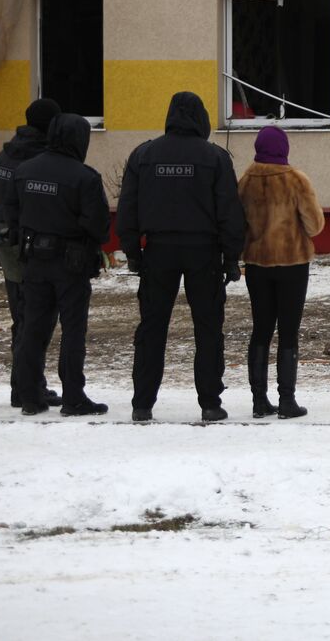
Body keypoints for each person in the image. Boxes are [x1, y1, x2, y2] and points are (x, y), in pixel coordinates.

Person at [118, 93, 246, 423]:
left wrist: (133, 252)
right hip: (204, 251)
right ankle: (210, 403)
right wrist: (232, 258)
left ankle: (142, 404)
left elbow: (128, 208)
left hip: (157, 251)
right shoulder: (215, 157)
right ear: (202, 118)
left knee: (152, 328)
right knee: (207, 329)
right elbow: (229, 212)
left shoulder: (144, 155)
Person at [11, 113, 110, 416]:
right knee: (72, 330)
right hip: (71, 263)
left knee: (32, 328)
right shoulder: (84, 177)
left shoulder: (24, 171)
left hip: (33, 260)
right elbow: (99, 226)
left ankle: (29, 396)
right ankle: (73, 397)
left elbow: (13, 214)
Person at [237, 127, 325, 418]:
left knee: (261, 329)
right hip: (292, 265)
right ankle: (287, 400)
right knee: (288, 331)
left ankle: (258, 401)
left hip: (257, 265)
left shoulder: (245, 181)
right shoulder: (296, 180)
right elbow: (314, 225)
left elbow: (238, 225)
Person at [0, 98, 63, 409]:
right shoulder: (40, 160)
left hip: (7, 244)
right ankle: (27, 386)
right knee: (36, 319)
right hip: (32, 246)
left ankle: (22, 384)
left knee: (21, 318)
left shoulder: (4, 156)